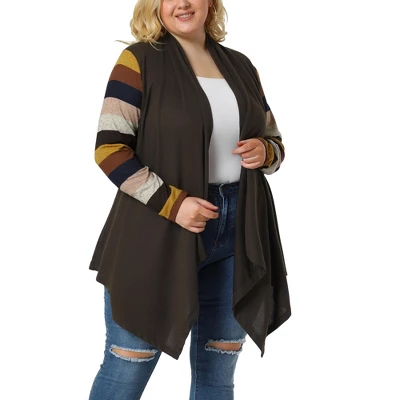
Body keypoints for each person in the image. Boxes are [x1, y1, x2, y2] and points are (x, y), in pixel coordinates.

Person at [88, 0, 291, 398]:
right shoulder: (138, 60)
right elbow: (109, 149)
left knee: (218, 367)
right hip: (156, 228)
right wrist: (174, 203)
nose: (182, 3)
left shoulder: (241, 66)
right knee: (130, 360)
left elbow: (274, 141)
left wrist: (265, 151)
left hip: (239, 232)